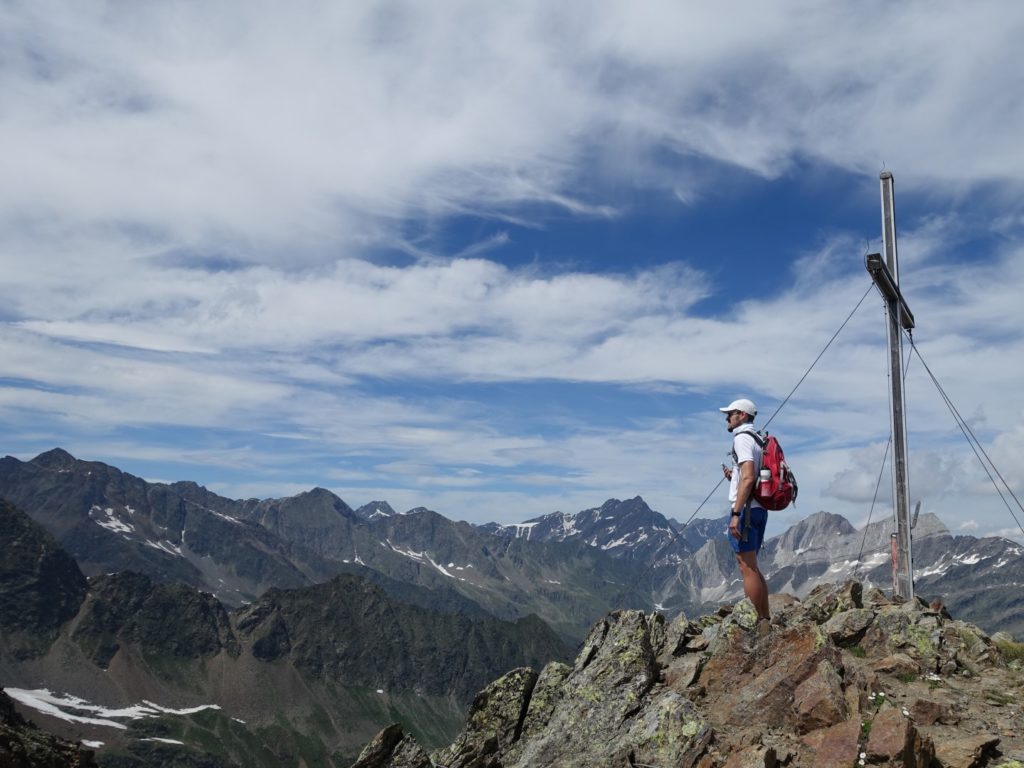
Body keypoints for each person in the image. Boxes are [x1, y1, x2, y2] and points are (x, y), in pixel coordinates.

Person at [719, 398, 771, 626]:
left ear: (741, 415)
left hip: (747, 512)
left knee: (747, 567)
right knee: (753, 567)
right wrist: (735, 477)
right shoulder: (758, 439)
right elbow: (749, 475)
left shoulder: (741, 439)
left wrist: (736, 513)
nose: (726, 418)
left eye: (729, 414)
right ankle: (765, 619)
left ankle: (756, 622)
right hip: (760, 508)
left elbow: (749, 476)